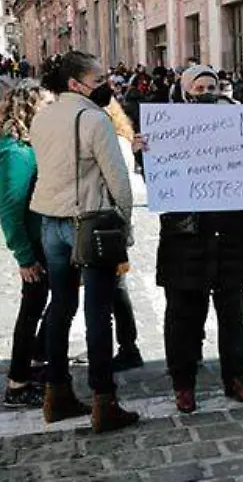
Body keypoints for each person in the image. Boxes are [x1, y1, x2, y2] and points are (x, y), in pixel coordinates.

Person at [30, 51, 138, 433]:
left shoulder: (41, 117)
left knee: (60, 306)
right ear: (76, 84)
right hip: (90, 222)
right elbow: (119, 182)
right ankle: (103, 401)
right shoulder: (94, 118)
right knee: (98, 311)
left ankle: (55, 393)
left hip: (50, 221)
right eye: (98, 78)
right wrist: (124, 226)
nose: (105, 84)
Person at [158, 65, 243, 412]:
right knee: (184, 316)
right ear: (186, 91)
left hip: (230, 234)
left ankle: (236, 377)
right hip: (186, 237)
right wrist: (147, 149)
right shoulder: (168, 127)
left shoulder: (240, 121)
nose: (206, 92)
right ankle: (183, 384)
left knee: (233, 314)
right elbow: (160, 177)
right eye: (199, 87)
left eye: (211, 86)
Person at [0, 80, 55, 408]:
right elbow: (10, 210)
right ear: (30, 108)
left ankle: (36, 360)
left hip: (43, 238)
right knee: (32, 308)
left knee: (45, 302)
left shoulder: (27, 144)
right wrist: (24, 256)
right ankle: (17, 382)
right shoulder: (14, 151)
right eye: (46, 105)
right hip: (34, 244)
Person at [93, 99, 146, 372]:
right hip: (106, 221)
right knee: (114, 287)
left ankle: (127, 346)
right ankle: (127, 345)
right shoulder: (117, 139)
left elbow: (118, 187)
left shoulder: (115, 142)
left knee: (113, 287)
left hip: (108, 222)